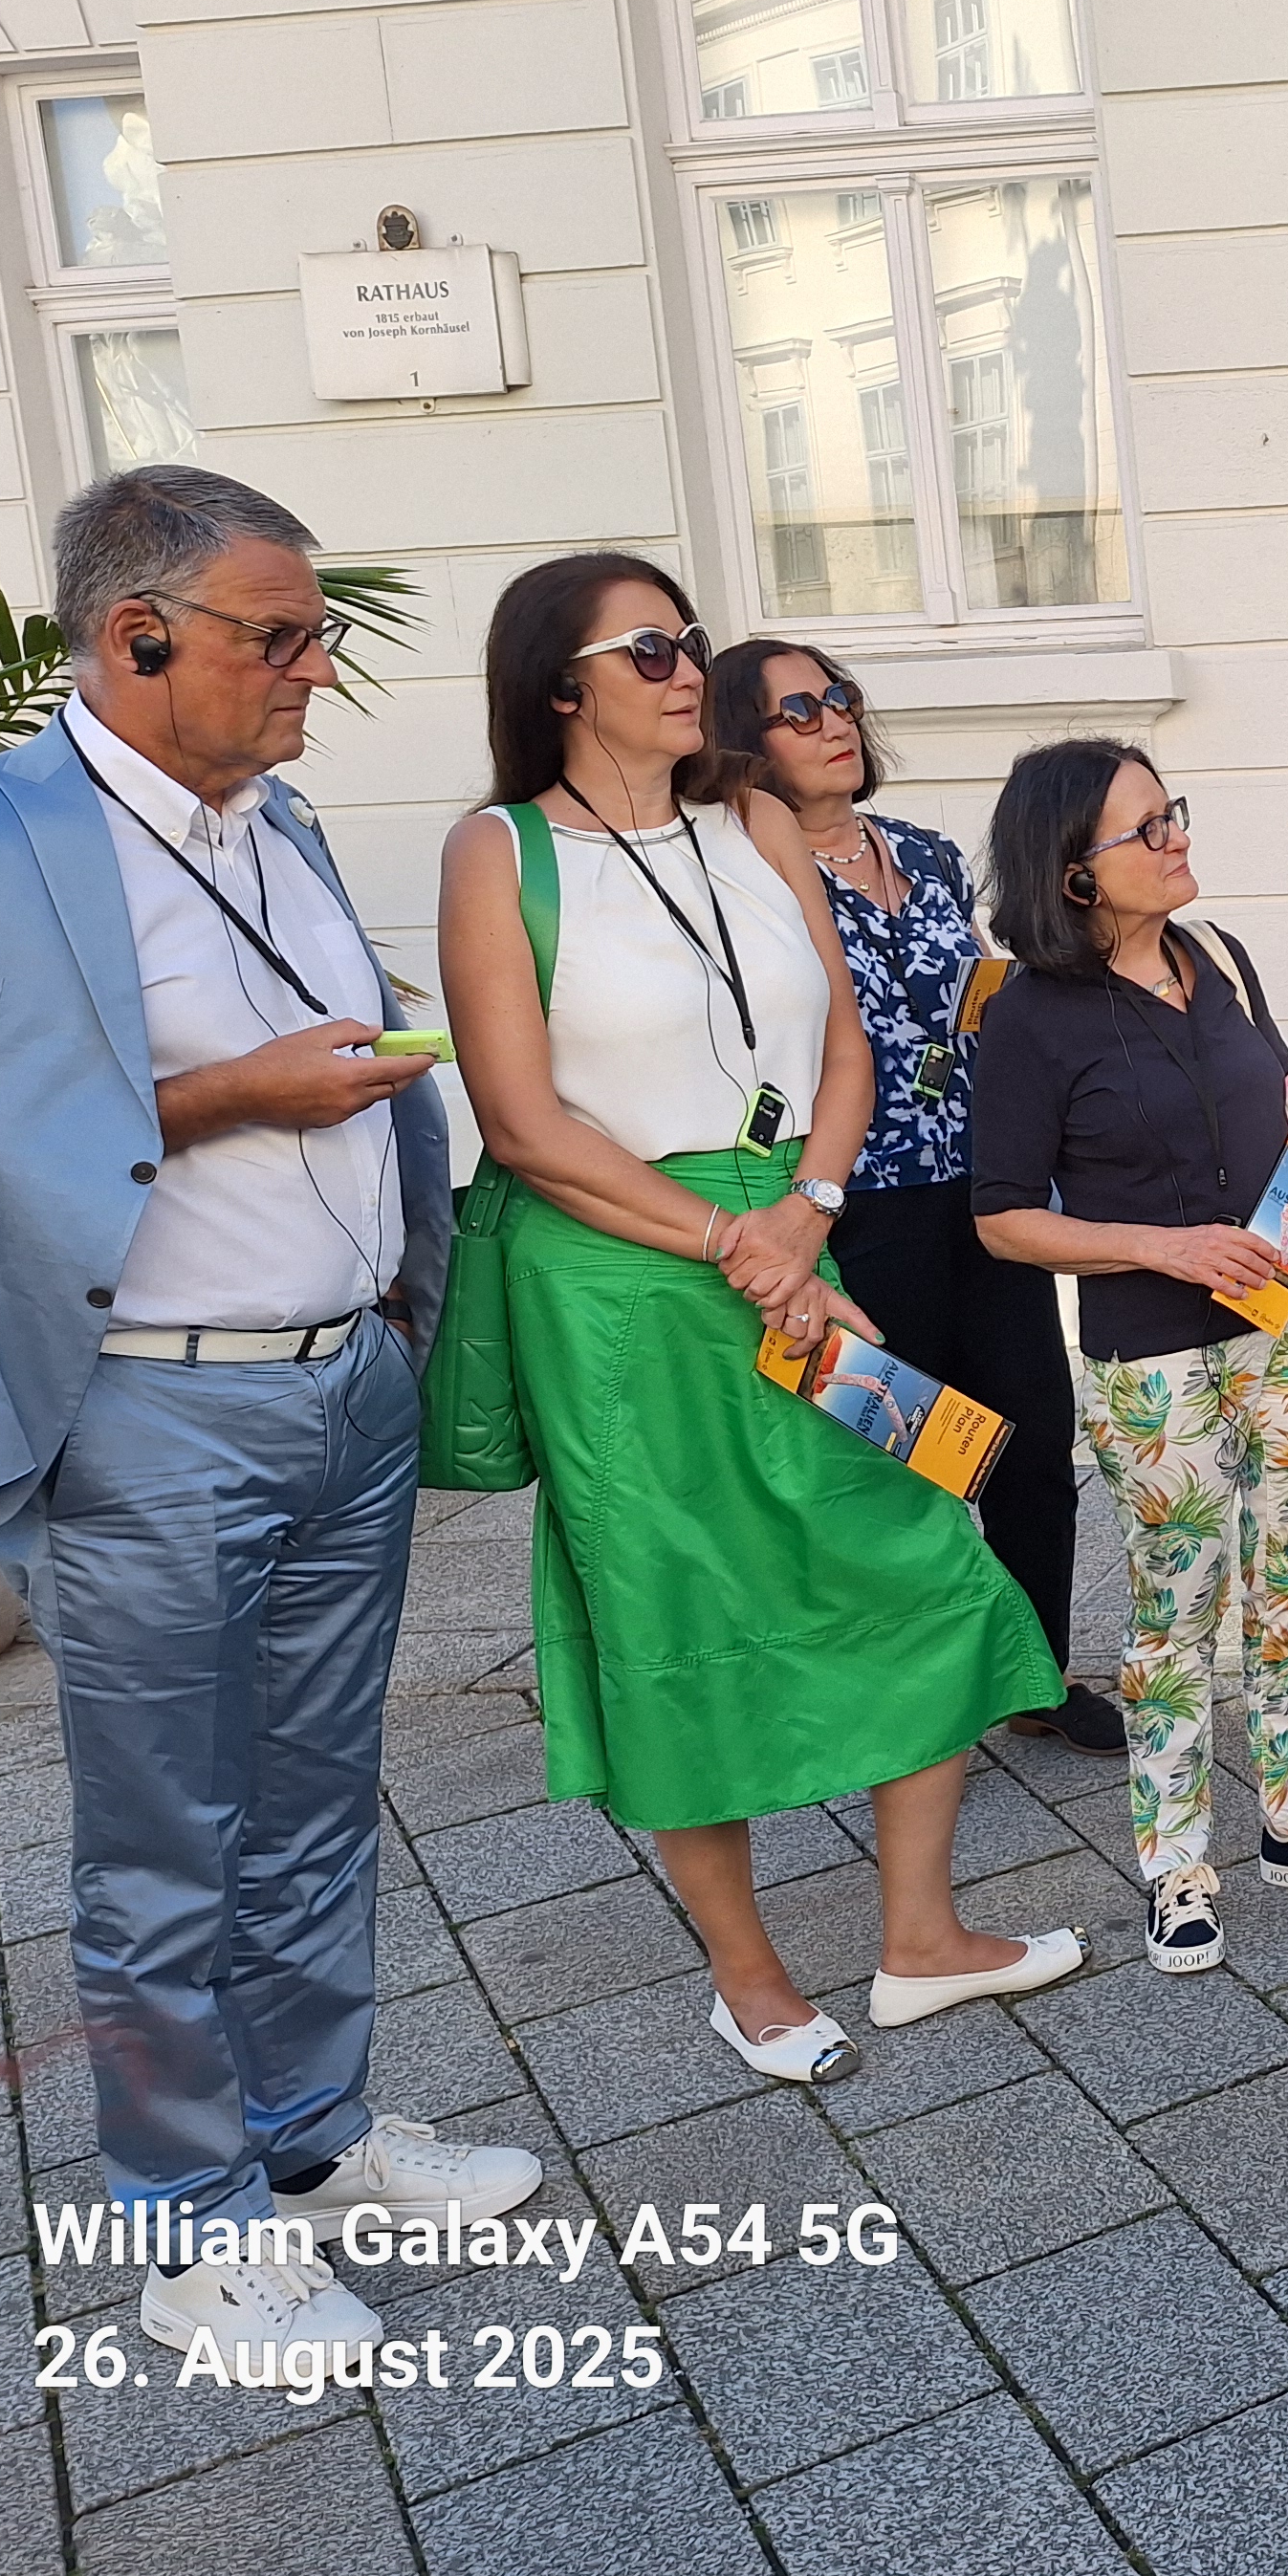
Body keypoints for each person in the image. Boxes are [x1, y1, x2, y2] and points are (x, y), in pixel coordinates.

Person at [0, 463, 535, 2364]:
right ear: (137, 636)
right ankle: (188, 2225)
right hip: (149, 1416)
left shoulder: (275, 821)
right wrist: (233, 1097)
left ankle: (310, 2136)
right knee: (167, 1843)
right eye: (282, 637)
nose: (319, 670)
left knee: (315, 1798)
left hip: (346, 1386)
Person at [441, 554, 1079, 2092]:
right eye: (650, 649)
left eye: (690, 641)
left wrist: (809, 1210)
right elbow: (522, 1124)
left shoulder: (756, 820)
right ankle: (749, 1980)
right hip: (617, 1276)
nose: (686, 670)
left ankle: (921, 1939)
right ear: (560, 687)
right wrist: (741, 1240)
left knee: (925, 1549)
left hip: (800, 1235)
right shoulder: (501, 849)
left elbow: (846, 1041)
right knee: (675, 1615)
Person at [971, 739, 1288, 1975]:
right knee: (1176, 1614)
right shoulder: (1027, 1018)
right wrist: (1163, 1249)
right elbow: (1003, 1217)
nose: (1176, 838)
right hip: (1152, 1359)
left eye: (1172, 812)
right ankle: (1175, 1864)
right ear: (1073, 873)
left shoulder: (1216, 954)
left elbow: (1259, 1111)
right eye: (1146, 828)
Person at [707, 639, 1118, 1755]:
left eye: (837, 697)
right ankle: (922, 1698)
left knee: (1031, 1438)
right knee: (900, 1455)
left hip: (980, 1191)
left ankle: (1034, 1673)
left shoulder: (927, 855)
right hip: (852, 1204)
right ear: (746, 740)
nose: (834, 720)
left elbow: (980, 997)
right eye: (798, 711)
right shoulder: (742, 875)